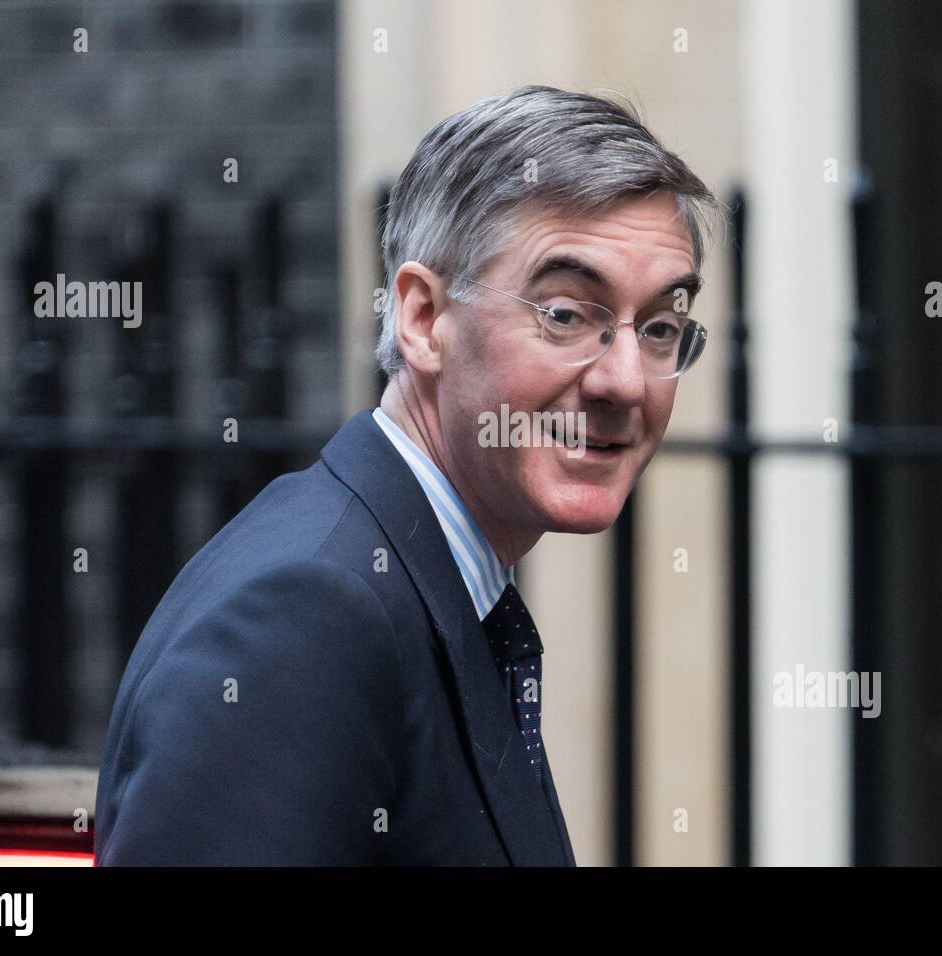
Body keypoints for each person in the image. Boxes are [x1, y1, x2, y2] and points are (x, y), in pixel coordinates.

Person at [94, 84, 722, 865]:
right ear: (424, 319)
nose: (625, 380)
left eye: (660, 327)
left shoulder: (426, 583)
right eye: (565, 313)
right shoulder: (306, 612)